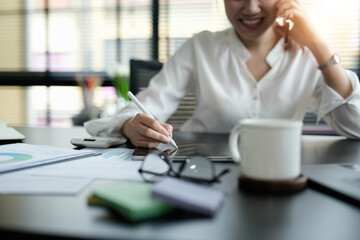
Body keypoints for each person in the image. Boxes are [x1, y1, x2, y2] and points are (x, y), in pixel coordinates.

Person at [85, 0, 360, 148]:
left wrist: (319, 46)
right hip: (200, 171)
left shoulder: (306, 54)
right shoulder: (200, 46)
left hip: (279, 174)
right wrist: (128, 124)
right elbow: (142, 108)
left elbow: (355, 128)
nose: (251, 8)